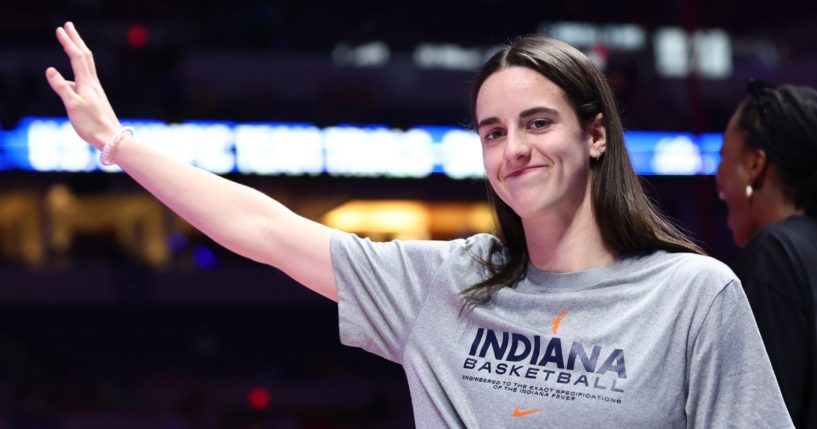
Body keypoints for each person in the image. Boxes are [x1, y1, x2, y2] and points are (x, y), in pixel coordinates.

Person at [46, 22, 793, 427]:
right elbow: (264, 228)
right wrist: (118, 144)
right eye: (493, 131)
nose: (514, 149)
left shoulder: (695, 295)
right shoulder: (444, 281)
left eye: (537, 122)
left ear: (595, 134)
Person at [716, 80, 817, 428]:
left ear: (755, 164)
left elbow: (758, 416)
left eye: (723, 158)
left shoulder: (775, 253)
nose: (718, 181)